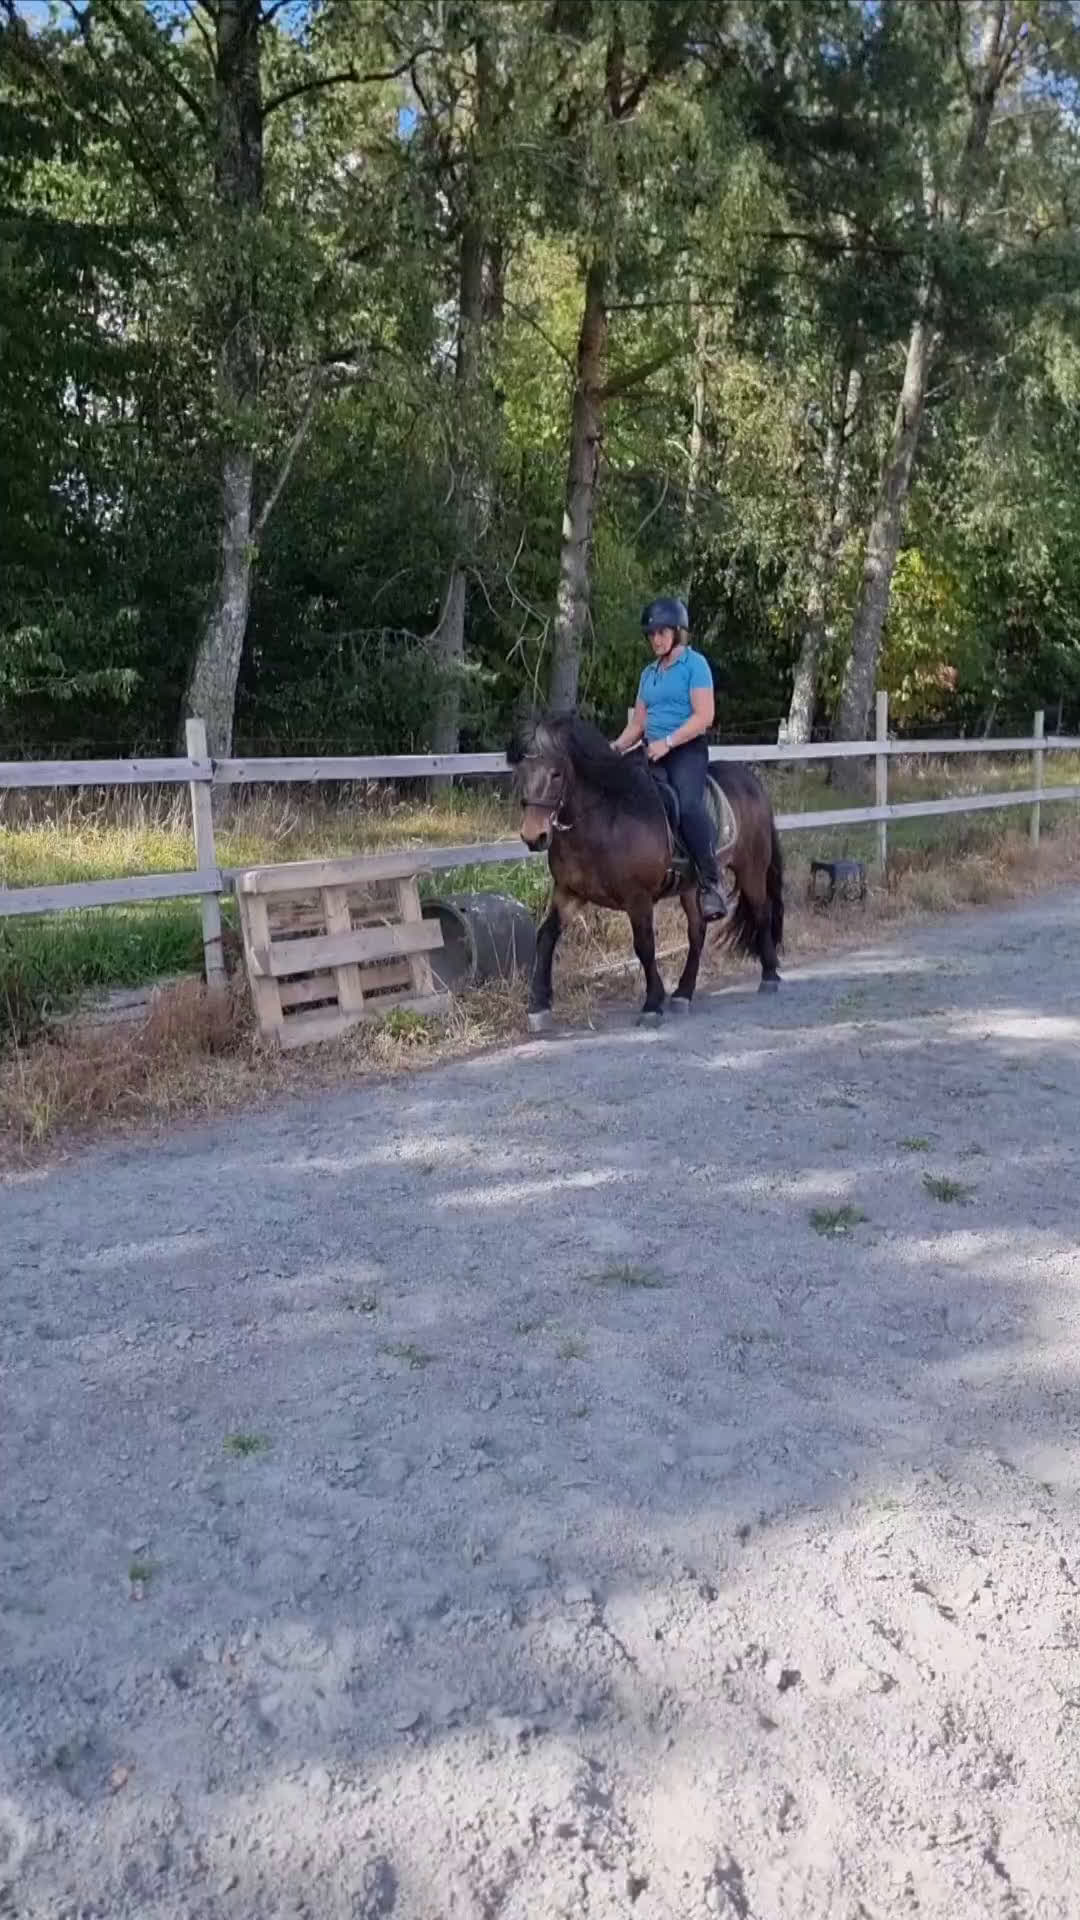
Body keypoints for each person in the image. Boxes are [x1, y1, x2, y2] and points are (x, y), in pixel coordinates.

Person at [611, 596, 729, 920]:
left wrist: (669, 741)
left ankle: (711, 881)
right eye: (651, 634)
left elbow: (705, 715)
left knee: (689, 805)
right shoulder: (648, 674)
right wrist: (615, 749)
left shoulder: (695, 665)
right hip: (651, 748)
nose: (656, 639)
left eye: (662, 633)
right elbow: (637, 724)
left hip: (685, 749)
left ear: (677, 632)